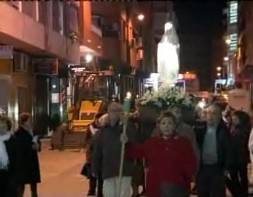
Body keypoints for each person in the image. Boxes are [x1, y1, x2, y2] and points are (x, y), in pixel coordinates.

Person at [123, 111, 197, 197]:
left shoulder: (183, 142)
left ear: (174, 125)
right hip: (156, 187)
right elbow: (135, 152)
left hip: (177, 188)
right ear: (159, 125)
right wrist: (126, 143)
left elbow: (191, 163)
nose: (166, 126)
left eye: (170, 123)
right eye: (163, 123)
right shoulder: (153, 143)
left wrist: (183, 178)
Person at [92, 102, 137, 197]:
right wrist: (95, 168)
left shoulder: (127, 128)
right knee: (109, 194)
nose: (116, 113)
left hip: (124, 170)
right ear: (108, 113)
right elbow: (97, 151)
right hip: (108, 171)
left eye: (119, 111)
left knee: (123, 194)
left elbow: (135, 147)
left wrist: (128, 141)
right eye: (113, 111)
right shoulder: (103, 131)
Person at [195, 103, 229, 197]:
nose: (210, 116)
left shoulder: (224, 131)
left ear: (219, 115)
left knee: (217, 193)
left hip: (217, 169)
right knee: (202, 192)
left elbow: (228, 150)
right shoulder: (199, 129)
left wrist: (227, 168)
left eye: (214, 113)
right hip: (202, 168)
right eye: (208, 113)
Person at [15, 113, 41, 197]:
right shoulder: (18, 133)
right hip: (23, 162)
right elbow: (20, 147)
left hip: (32, 161)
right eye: (29, 120)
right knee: (21, 185)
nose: (31, 122)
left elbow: (38, 142)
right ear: (25, 122)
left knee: (33, 185)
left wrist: (38, 146)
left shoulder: (32, 131)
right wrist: (31, 147)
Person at [226, 110, 251, 197]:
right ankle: (239, 193)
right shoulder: (234, 128)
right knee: (235, 177)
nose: (233, 119)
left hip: (239, 158)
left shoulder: (243, 130)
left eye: (235, 118)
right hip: (235, 158)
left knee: (240, 177)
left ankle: (241, 194)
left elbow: (240, 144)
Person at [84, 113, 104, 197]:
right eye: (97, 120)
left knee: (101, 175)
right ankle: (91, 190)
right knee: (92, 174)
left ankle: (100, 192)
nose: (98, 122)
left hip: (101, 155)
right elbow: (87, 139)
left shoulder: (104, 128)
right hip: (91, 154)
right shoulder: (90, 127)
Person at [0, 115, 17, 197]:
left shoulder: (13, 141)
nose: (1, 129)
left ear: (8, 127)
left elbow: (18, 160)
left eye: (4, 127)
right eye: (0, 126)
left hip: (11, 179)